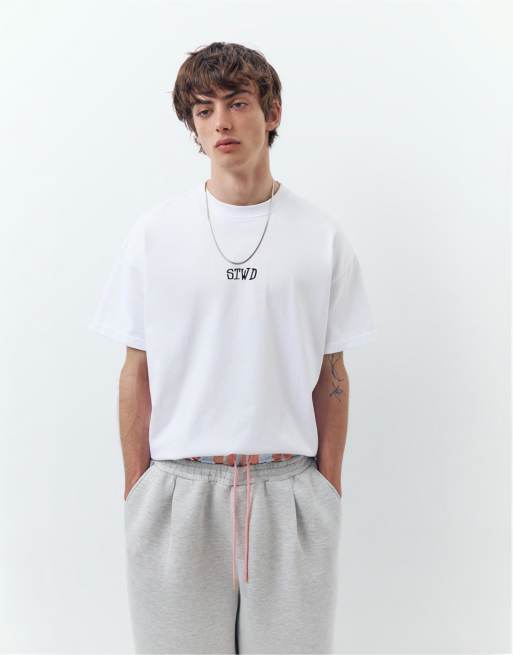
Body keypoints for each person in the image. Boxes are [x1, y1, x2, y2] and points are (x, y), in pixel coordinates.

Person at [89, 41, 377, 655]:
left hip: (289, 491)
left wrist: (327, 489)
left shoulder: (321, 237)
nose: (221, 121)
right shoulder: (155, 234)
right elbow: (136, 370)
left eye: (237, 102)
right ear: (193, 127)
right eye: (204, 110)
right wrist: (137, 489)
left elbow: (333, 374)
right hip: (178, 492)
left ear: (272, 112)